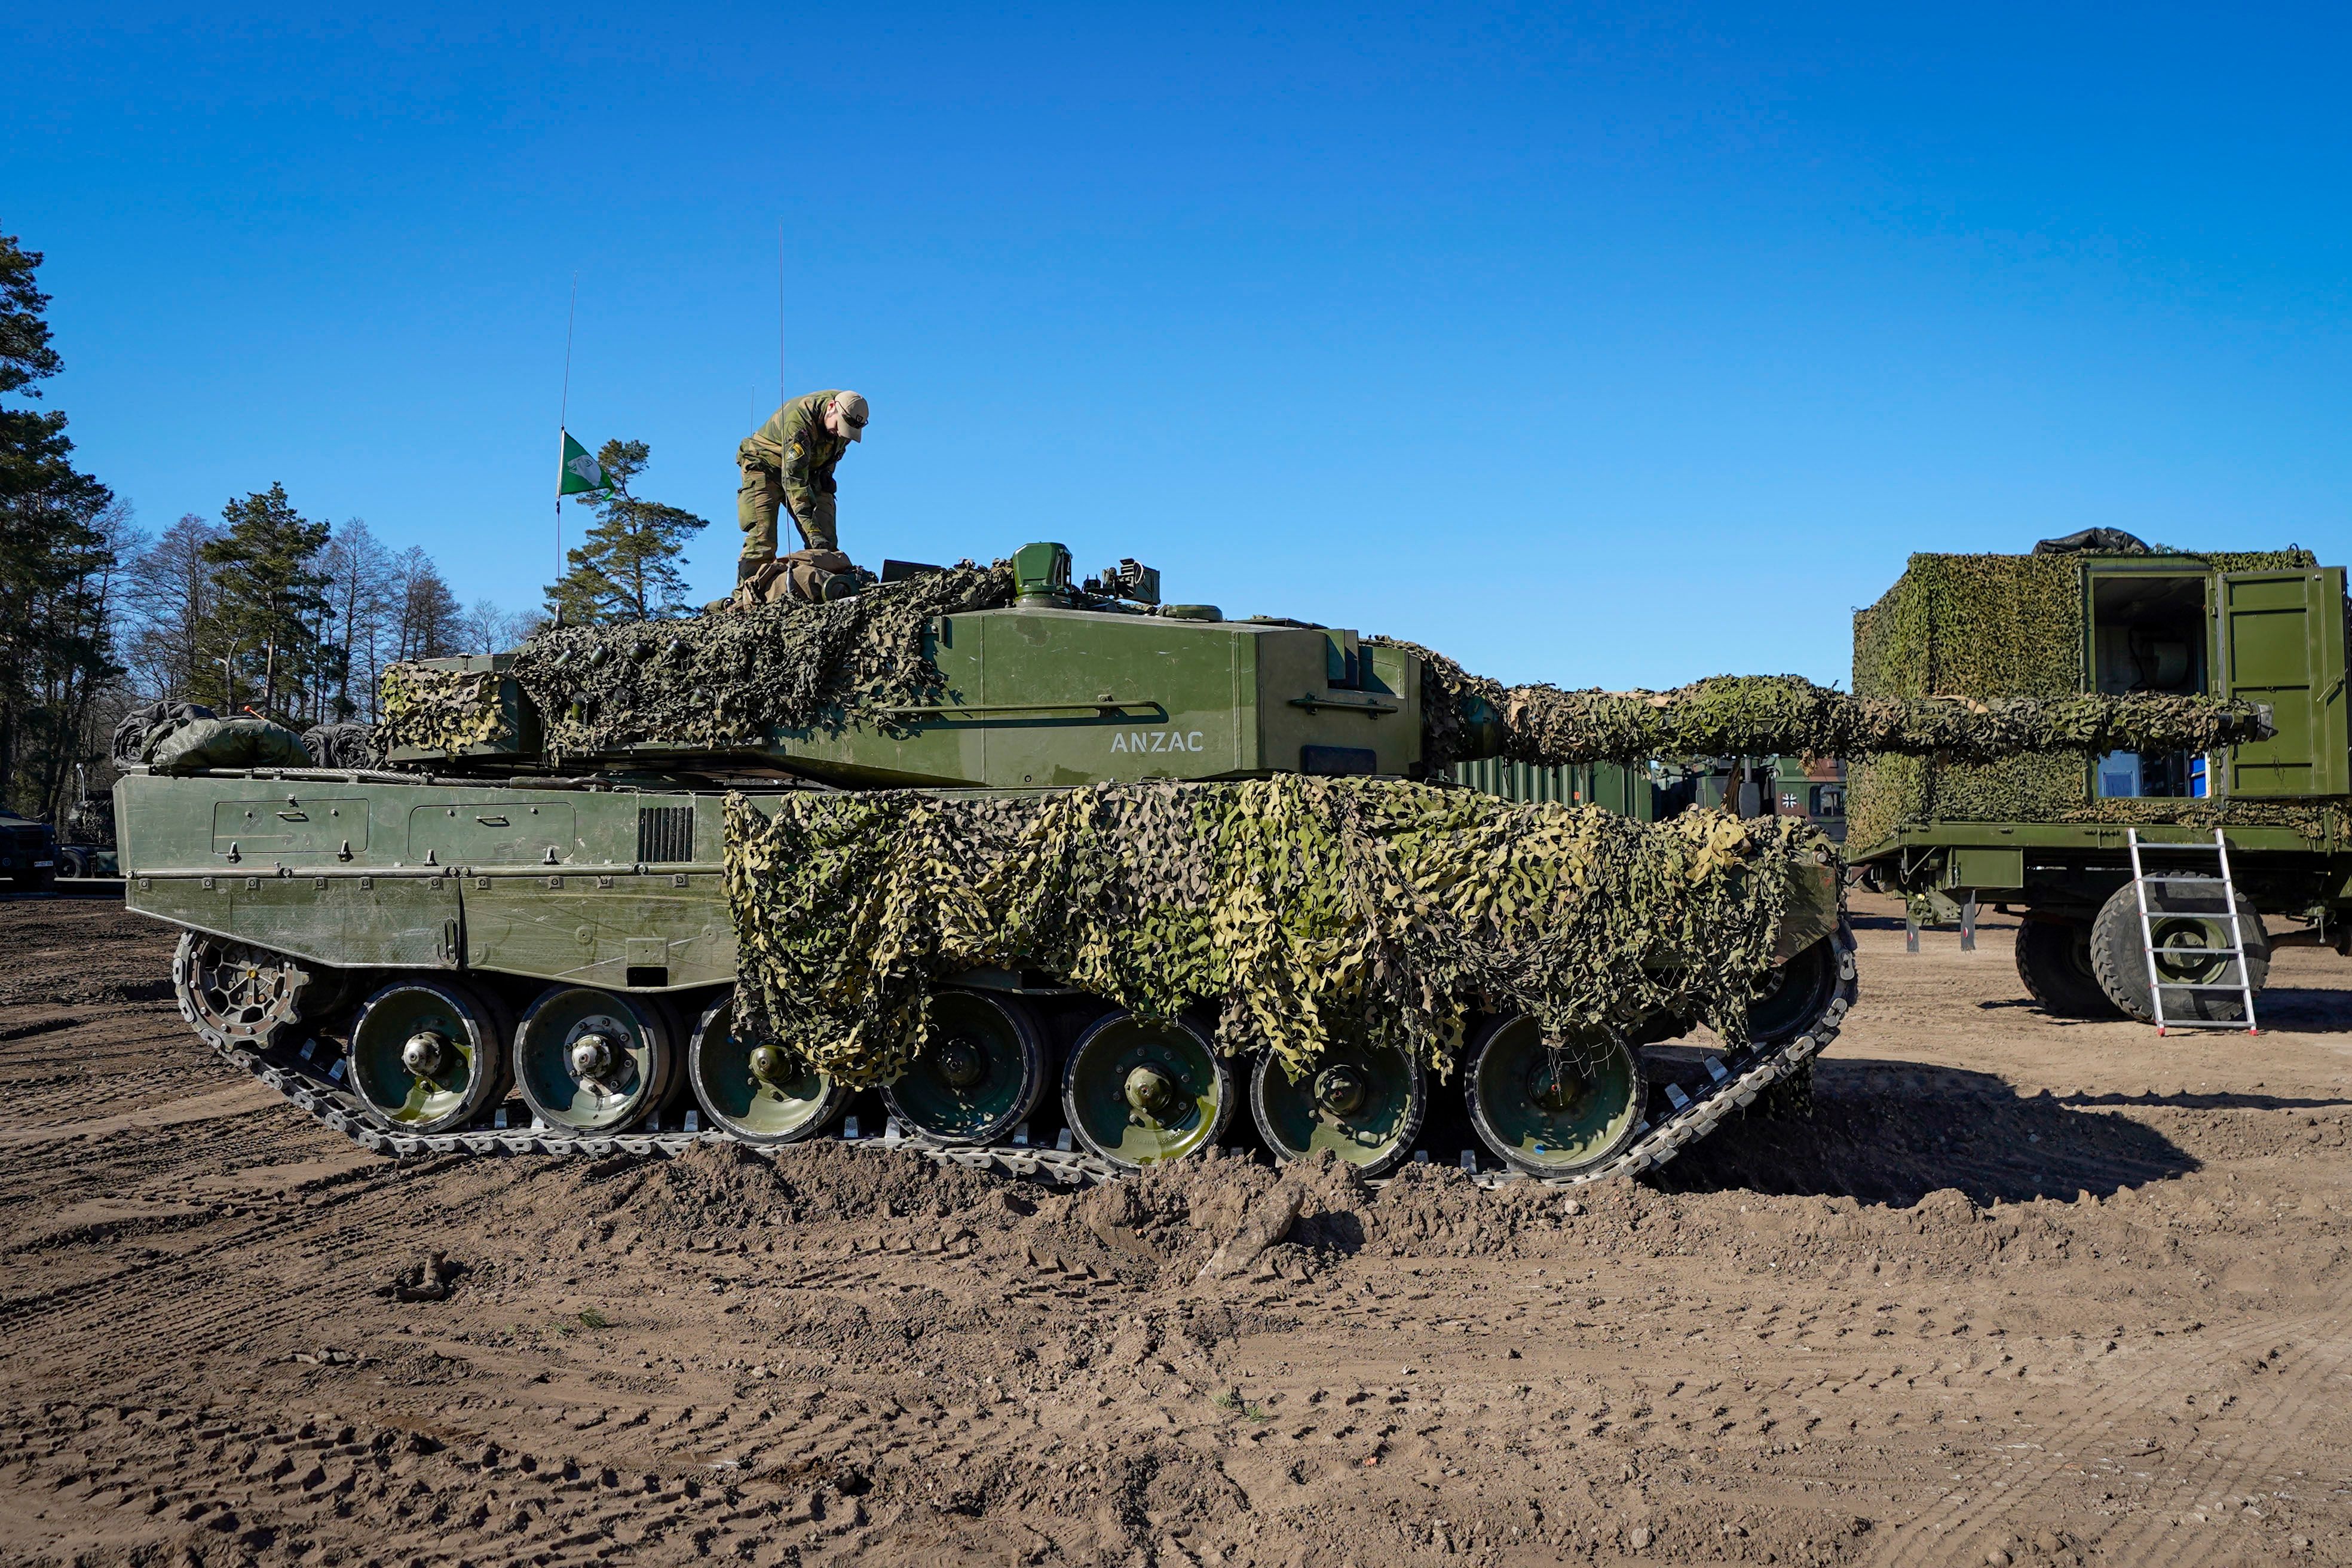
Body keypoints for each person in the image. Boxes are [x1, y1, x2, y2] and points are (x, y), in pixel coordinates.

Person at [736, 389, 866, 580]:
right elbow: (794, 483)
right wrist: (813, 532)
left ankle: (825, 587)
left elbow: (829, 458)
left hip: (809, 471)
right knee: (762, 542)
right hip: (764, 467)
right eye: (840, 427)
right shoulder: (799, 424)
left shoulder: (848, 415)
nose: (841, 433)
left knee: (826, 544)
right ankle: (748, 594)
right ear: (831, 408)